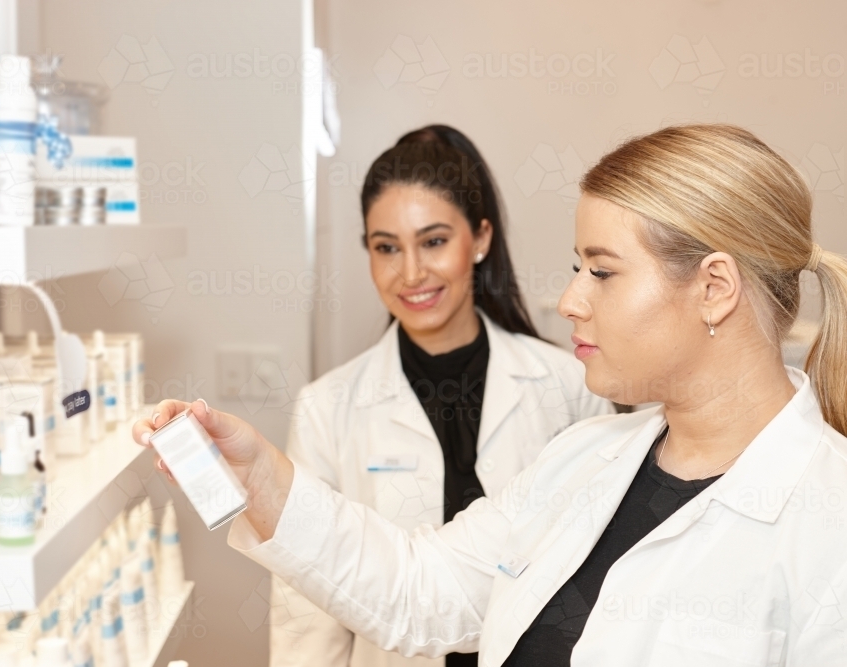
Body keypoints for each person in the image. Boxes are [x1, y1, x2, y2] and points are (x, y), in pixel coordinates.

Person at [135, 124, 847, 666]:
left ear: (714, 288)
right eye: (578, 267)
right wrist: (263, 476)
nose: (569, 299)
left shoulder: (828, 523)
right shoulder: (587, 459)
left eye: (601, 271)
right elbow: (421, 589)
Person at [268, 125, 612, 667]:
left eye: (433, 241)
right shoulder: (326, 407)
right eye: (386, 248)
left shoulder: (568, 384)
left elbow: (601, 571)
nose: (410, 273)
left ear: (479, 239)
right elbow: (307, 605)